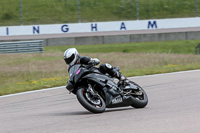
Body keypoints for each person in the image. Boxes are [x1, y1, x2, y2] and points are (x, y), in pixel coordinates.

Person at [63, 48, 129, 86]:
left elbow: (96, 61)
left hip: (96, 73)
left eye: (70, 58)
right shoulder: (71, 68)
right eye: (67, 60)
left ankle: (122, 78)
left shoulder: (83, 59)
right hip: (86, 79)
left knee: (104, 66)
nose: (69, 61)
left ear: (75, 55)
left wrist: (93, 61)